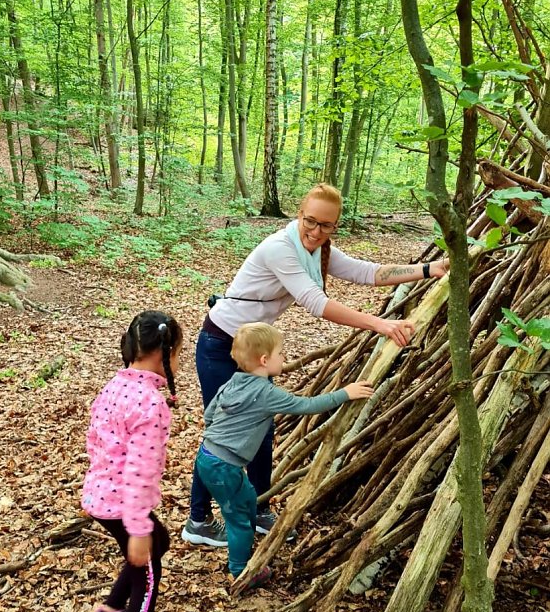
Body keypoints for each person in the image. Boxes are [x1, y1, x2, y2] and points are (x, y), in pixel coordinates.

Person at [183, 182, 448, 547]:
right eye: (311, 221)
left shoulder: (319, 248)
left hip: (251, 348)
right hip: (221, 344)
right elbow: (315, 302)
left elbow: (366, 272)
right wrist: (381, 324)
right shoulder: (281, 248)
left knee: (262, 427)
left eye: (327, 225)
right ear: (299, 214)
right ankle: (198, 519)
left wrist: (428, 268)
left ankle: (259, 509)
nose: (317, 231)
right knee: (222, 436)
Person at [196, 322, 374, 584]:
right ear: (265, 360)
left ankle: (244, 540)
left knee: (246, 497)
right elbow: (308, 405)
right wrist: (345, 393)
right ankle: (241, 570)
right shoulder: (266, 393)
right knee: (237, 520)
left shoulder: (232, 382)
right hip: (224, 467)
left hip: (207, 456)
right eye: (281, 353)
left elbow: (209, 415)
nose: (284, 358)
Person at [81, 310, 182, 612]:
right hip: (122, 504)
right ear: (163, 354)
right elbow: (139, 474)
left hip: (101, 495)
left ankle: (111, 611)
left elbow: (100, 439)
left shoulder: (118, 386)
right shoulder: (150, 405)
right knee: (149, 569)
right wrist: (138, 529)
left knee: (162, 540)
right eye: (177, 354)